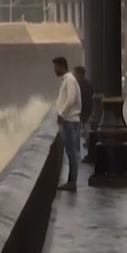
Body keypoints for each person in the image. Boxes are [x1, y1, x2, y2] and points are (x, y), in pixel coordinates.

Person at [53, 57, 82, 192]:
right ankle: (71, 181)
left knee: (71, 153)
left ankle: (72, 183)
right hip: (70, 121)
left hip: (69, 121)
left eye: (56, 67)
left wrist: (62, 113)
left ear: (61, 66)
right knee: (71, 152)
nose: (54, 70)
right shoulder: (69, 80)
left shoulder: (69, 81)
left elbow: (71, 99)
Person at [73, 66, 94, 146]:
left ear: (80, 74)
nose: (74, 75)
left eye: (76, 73)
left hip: (82, 111)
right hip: (85, 111)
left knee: (80, 130)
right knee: (85, 129)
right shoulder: (88, 84)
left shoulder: (78, 85)